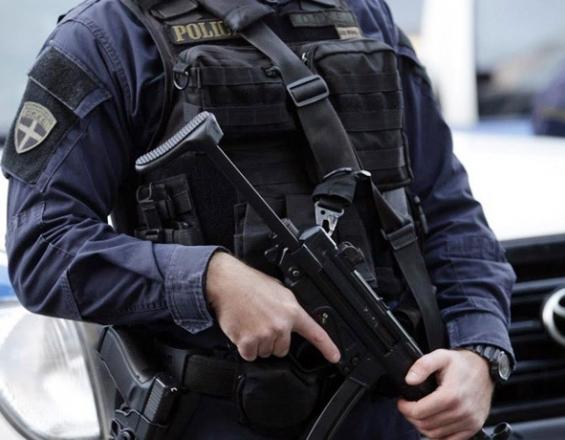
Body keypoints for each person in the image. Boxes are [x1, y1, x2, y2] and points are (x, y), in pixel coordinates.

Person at [1, 0, 515, 439]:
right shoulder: (106, 36)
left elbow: (446, 210)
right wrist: (208, 279)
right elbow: (42, 246)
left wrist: (479, 352)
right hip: (217, 417)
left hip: (391, 411)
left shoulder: (362, 15)